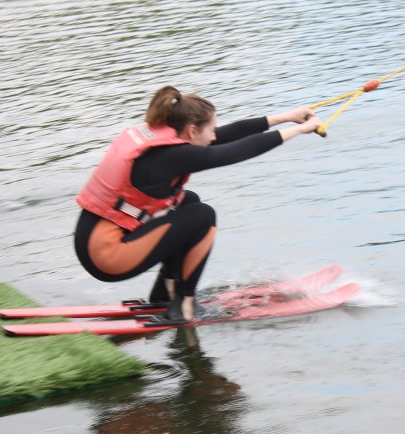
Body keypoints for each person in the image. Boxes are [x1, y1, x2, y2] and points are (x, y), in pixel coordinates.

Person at [74, 85, 323, 323]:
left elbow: (227, 135)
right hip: (107, 258)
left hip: (93, 244)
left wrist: (287, 117)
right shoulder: (174, 155)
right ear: (192, 131)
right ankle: (183, 305)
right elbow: (236, 151)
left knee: (189, 202)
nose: (214, 136)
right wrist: (300, 130)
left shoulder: (168, 139)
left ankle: (167, 294)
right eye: (210, 130)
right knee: (202, 216)